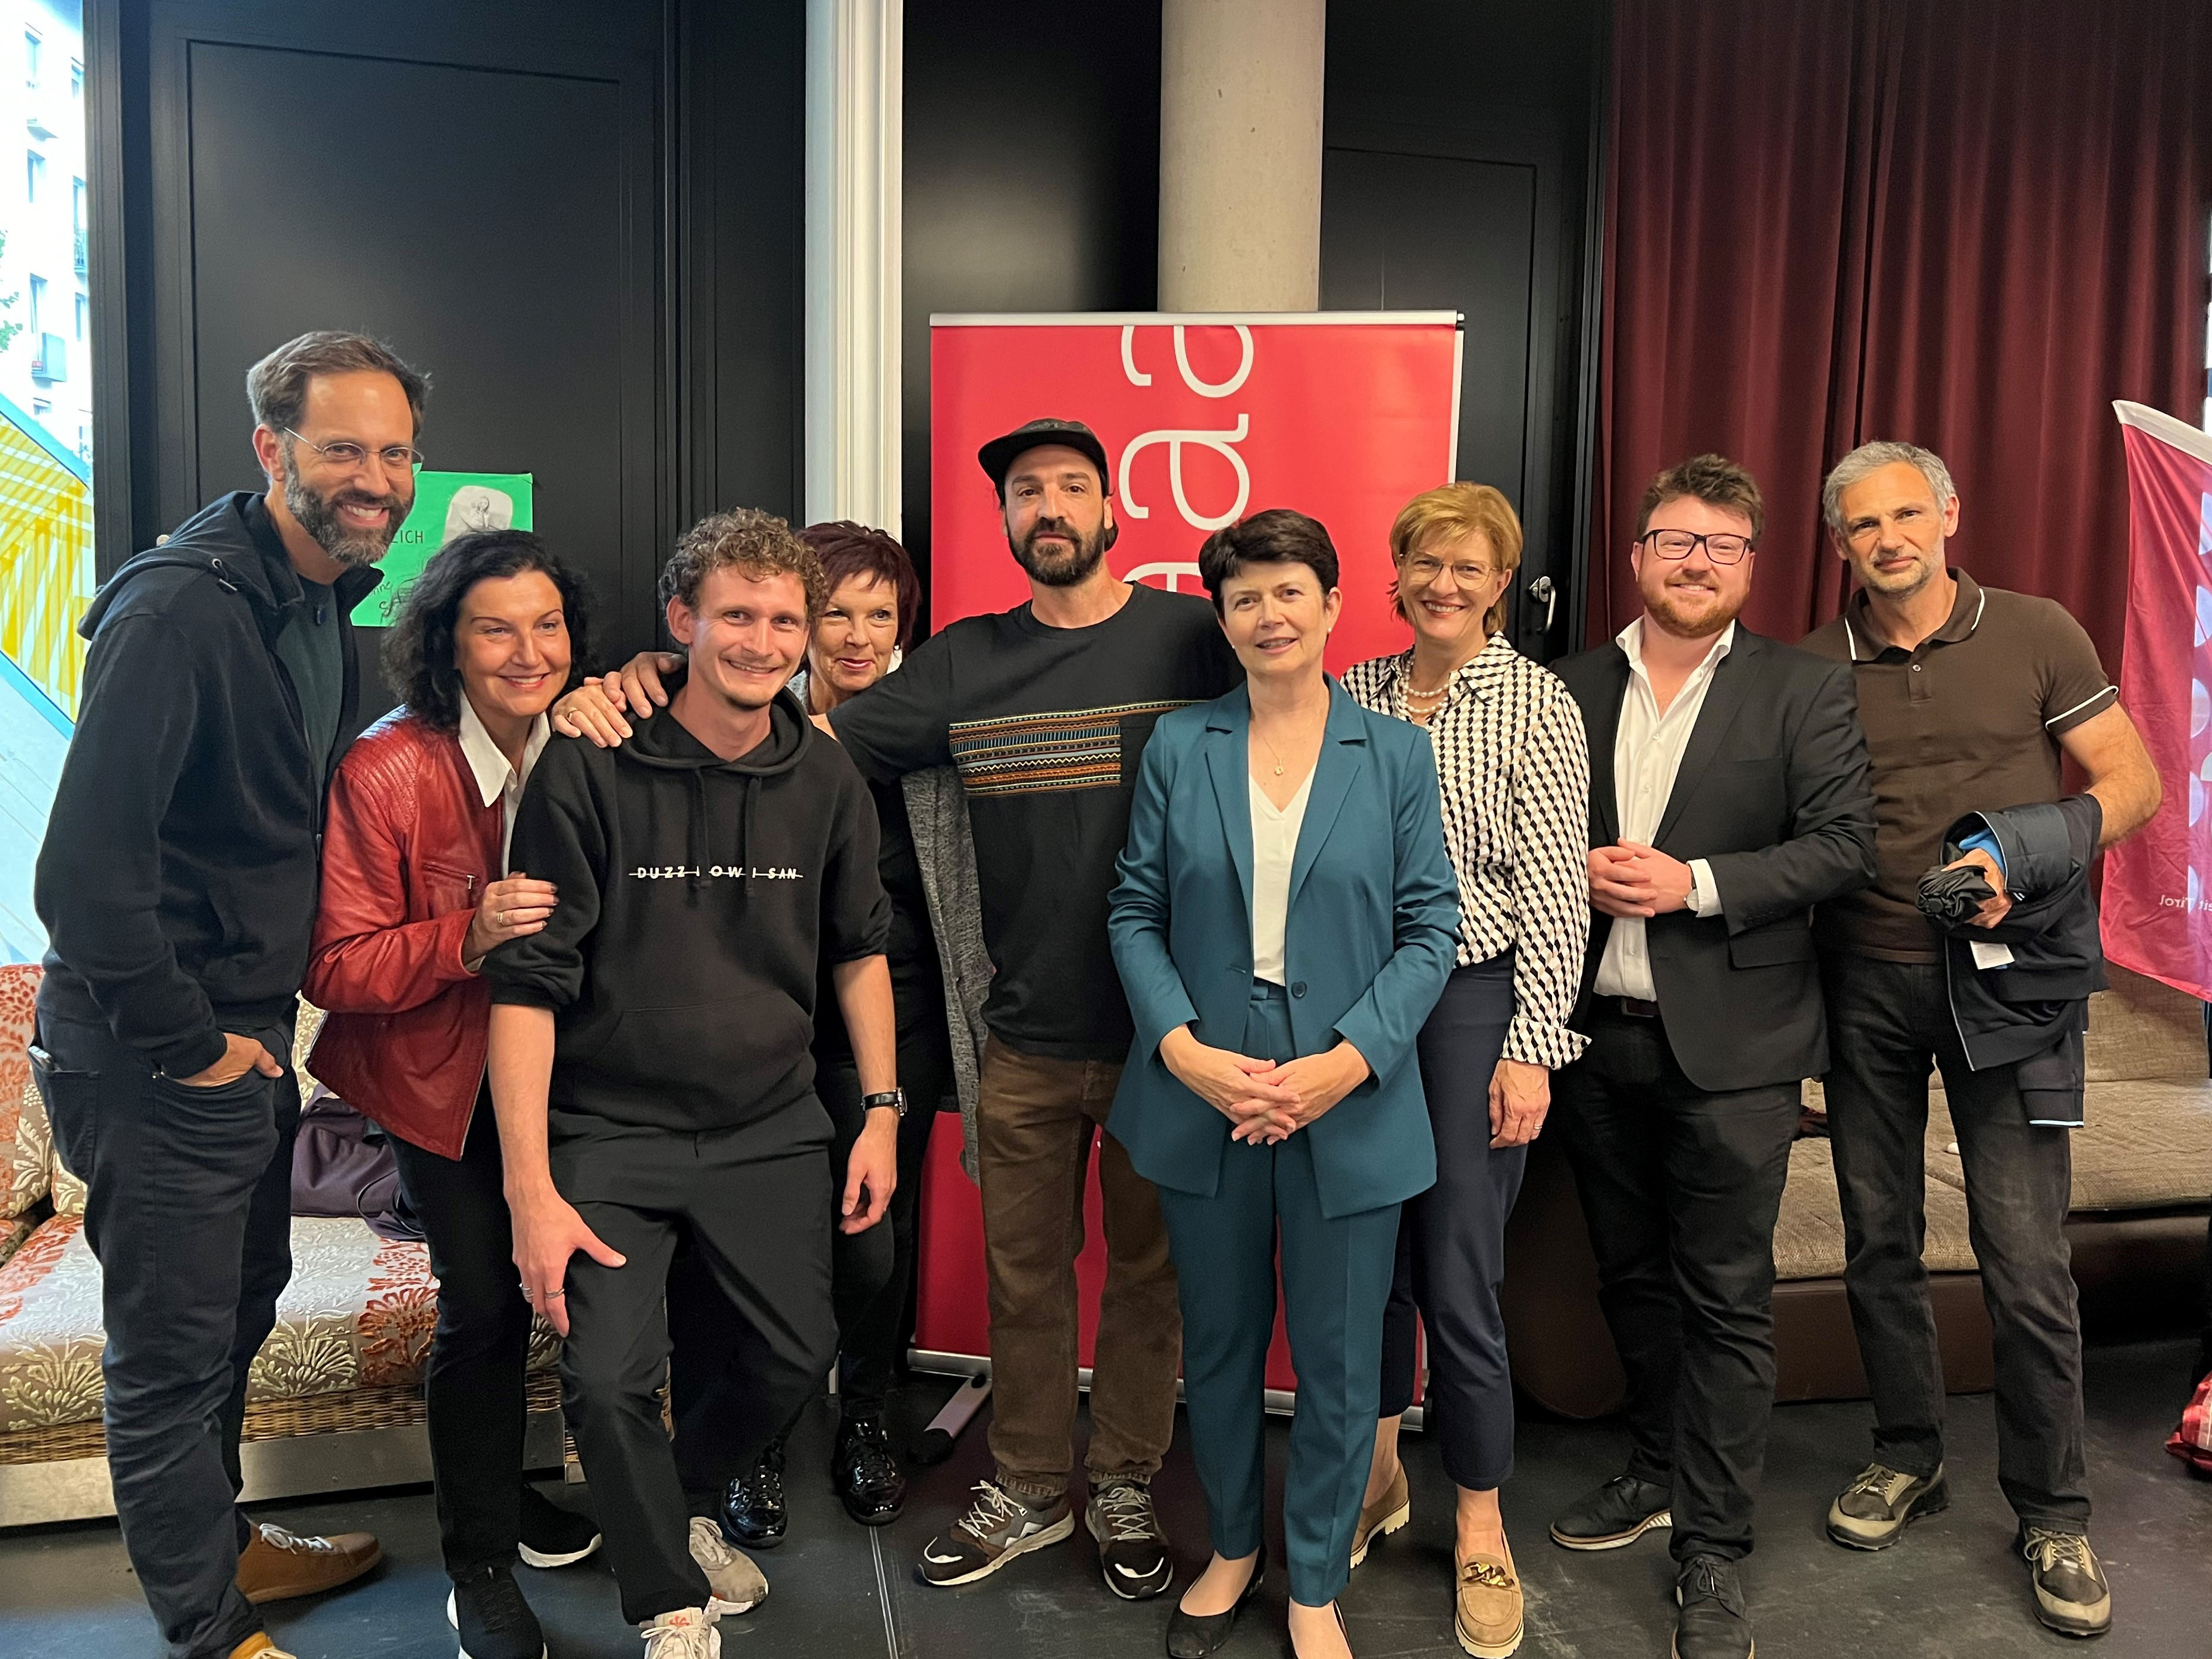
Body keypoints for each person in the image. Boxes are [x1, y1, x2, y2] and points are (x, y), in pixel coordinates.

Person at [579, 420, 1239, 1601]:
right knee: (1023, 1282)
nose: (1048, 506)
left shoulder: (1191, 637)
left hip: (1168, 1033)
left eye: (1070, 487)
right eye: (1025, 491)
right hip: (1021, 1037)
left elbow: (1293, 708)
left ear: (1110, 509)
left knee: (1150, 1277)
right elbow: (782, 725)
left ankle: (1128, 1479)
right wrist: (637, 680)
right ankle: (1032, 1483)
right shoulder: (960, 663)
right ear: (1002, 522)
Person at [29, 330, 424, 1659]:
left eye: (392, 450)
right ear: (272, 450)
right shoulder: (179, 608)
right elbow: (82, 875)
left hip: (240, 1041)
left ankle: (225, 1536)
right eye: (341, 447)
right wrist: (193, 1046)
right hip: (154, 1052)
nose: (373, 475)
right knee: (172, 1350)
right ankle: (208, 1628)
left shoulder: (317, 592)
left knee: (238, 1304)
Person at [482, 510, 901, 1658]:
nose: (763, 642)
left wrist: (881, 1113)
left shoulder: (824, 771)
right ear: (683, 620)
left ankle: (663, 1508)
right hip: (609, 1130)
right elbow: (524, 987)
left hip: (771, 1127)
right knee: (609, 1379)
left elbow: (858, 951)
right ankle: (668, 1598)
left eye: (784, 620)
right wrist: (530, 1184)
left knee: (792, 1351)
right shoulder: (590, 756)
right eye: (737, 616)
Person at [1800, 440, 2161, 1640]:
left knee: (2021, 1260)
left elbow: (2132, 782)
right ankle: (1905, 1451)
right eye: (1863, 524)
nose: (1888, 537)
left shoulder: (2036, 630)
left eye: (1907, 512)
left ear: (1948, 513)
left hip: (2006, 992)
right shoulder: (1809, 665)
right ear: (1838, 543)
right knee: (1877, 1242)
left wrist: (2023, 850)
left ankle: (2051, 1508)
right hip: (1861, 984)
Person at [1107, 508, 1459, 1659]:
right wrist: (1182, 1049)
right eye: (1245, 596)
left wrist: (1347, 1061)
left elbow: (1429, 929)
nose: (1268, 614)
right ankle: (1232, 1549)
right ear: (1222, 615)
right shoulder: (1180, 745)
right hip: (1207, 1074)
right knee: (1213, 1343)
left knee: (1340, 1358)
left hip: (1345, 1080)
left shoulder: (1397, 751)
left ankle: (1313, 1582)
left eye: (1289, 592)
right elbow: (1134, 912)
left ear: (1331, 605)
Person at [562, 522, 955, 1538]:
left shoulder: (924, 715)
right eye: (834, 614)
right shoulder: (721, 714)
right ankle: (745, 1459)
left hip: (876, 1022)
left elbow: (863, 941)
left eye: (882, 615)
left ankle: (860, 1417)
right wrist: (634, 678)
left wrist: (881, 1100)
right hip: (745, 1035)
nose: (854, 634)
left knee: (866, 1254)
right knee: (732, 1262)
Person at [1546, 455, 1878, 1659]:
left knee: (1724, 1294)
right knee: (1627, 1278)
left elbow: (1843, 845)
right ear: (1633, 555)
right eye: (1674, 539)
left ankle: (1713, 1548)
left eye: (1721, 544)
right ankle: (1651, 1466)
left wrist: (1695, 883)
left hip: (1734, 1051)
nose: (1694, 560)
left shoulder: (1801, 689)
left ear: (1750, 564)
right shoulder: (1561, 687)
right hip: (1585, 1041)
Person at [304, 530, 606, 1659]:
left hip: (578, 1077)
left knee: (563, 1295)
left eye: (548, 625)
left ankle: (523, 1502)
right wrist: (463, 935)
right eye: (496, 627)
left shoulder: (594, 738)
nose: (529, 651)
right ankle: (475, 1559)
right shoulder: (387, 768)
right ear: (447, 642)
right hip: (442, 1088)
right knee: (483, 1305)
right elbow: (332, 969)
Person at [1340, 483, 1591, 1659]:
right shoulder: (1348, 693)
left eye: (1470, 567)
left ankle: (1482, 1525)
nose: (1444, 582)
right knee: (1371, 1259)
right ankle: (1381, 1475)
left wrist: (1531, 1047)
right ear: (1394, 570)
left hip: (1470, 1007)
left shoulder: (1534, 701)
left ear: (1501, 583)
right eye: (1424, 561)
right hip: (1356, 1008)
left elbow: (1551, 891)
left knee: (1456, 1271)